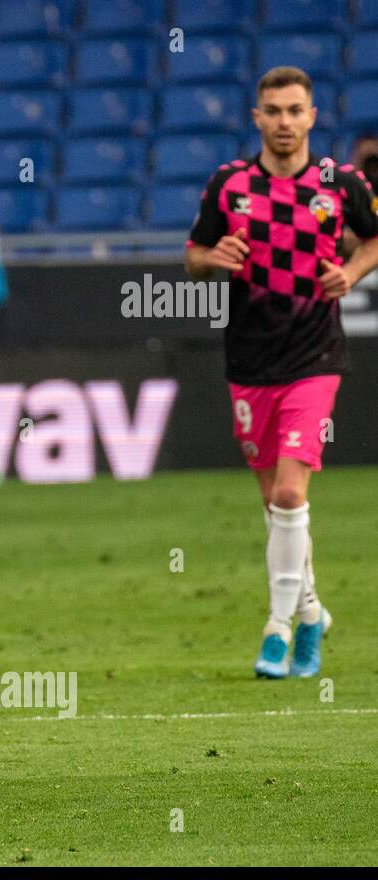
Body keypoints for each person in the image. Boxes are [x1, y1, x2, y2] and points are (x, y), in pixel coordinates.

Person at [184, 67, 378, 679]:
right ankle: (314, 611)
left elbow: (374, 242)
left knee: (292, 495)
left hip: (315, 357)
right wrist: (212, 258)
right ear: (257, 118)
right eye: (274, 110)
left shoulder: (341, 183)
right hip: (249, 360)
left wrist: (353, 271)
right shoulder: (229, 184)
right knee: (277, 507)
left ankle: (279, 627)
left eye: (296, 110)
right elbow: (193, 256)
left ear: (313, 117)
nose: (285, 121)